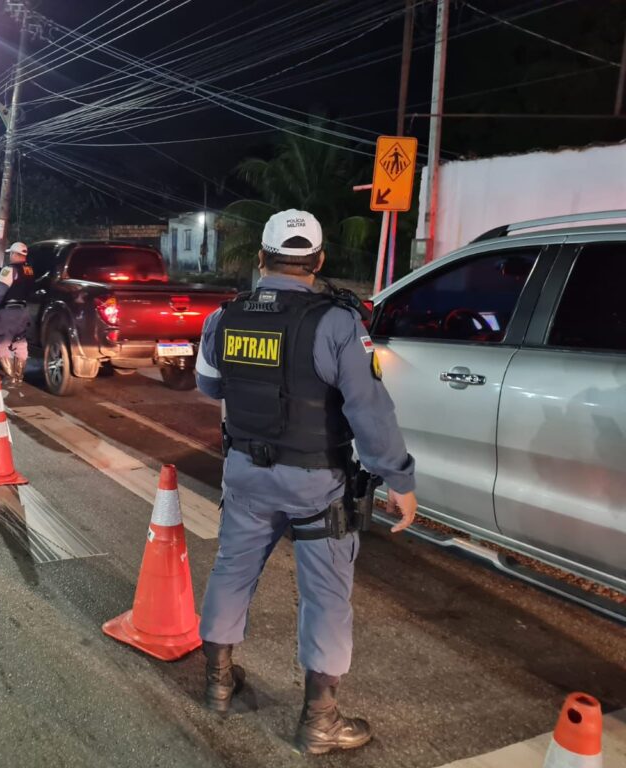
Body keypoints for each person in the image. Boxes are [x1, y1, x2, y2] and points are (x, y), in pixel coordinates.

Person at [194, 209, 418, 756]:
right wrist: (399, 478)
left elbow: (207, 387)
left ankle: (218, 682)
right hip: (317, 481)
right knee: (325, 593)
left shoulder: (226, 316)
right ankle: (319, 721)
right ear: (318, 261)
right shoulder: (337, 322)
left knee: (232, 569)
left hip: (246, 473)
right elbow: (368, 409)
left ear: (261, 258)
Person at [0, 242, 34, 386]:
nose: (10, 256)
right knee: (20, 343)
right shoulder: (29, 270)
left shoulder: (8, 270)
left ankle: (10, 376)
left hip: (8, 312)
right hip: (24, 311)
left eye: (10, 254)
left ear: (14, 254)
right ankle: (19, 377)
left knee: (1, 344)